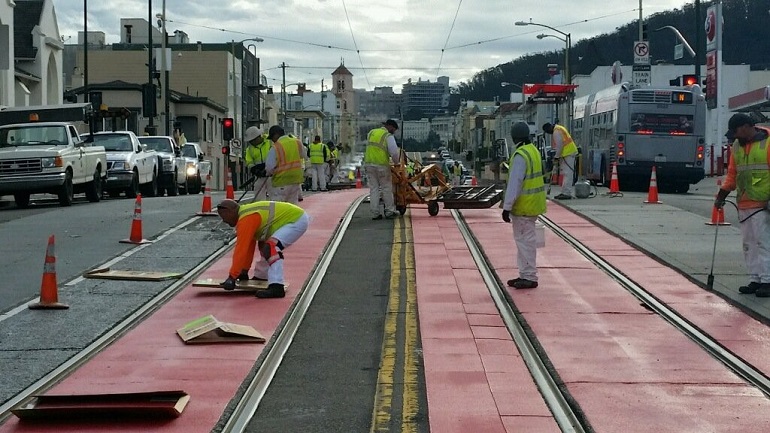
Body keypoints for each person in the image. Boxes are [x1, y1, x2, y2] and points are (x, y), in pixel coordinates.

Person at [714, 113, 770, 297]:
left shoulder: (767, 143)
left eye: (736, 131)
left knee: (763, 242)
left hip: (763, 204)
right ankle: (755, 279)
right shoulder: (737, 146)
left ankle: (767, 280)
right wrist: (722, 194)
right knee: (749, 243)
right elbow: (732, 174)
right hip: (745, 203)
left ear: (747, 126)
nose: (735, 136)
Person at [216, 199, 310, 298]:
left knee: (271, 248)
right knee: (264, 247)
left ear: (229, 211)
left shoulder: (246, 219)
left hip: (295, 220)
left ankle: (277, 286)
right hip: (294, 218)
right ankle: (261, 277)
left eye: (223, 216)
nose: (224, 220)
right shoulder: (246, 215)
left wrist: (232, 276)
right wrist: (243, 271)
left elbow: (241, 249)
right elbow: (249, 247)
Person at [501, 122, 547, 289]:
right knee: (526, 240)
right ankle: (525, 274)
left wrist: (507, 207)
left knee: (524, 241)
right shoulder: (533, 150)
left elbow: (515, 183)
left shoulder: (520, 155)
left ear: (514, 137)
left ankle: (529, 276)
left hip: (524, 206)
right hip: (534, 203)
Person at [364, 119, 401, 220]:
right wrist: (397, 163)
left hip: (369, 164)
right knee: (386, 188)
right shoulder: (388, 136)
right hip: (381, 165)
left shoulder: (371, 133)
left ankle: (375, 213)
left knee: (374, 189)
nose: (393, 131)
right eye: (393, 129)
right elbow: (394, 152)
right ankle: (389, 211)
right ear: (390, 126)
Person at [264, 125, 305, 204]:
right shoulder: (297, 142)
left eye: (272, 138)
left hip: (281, 182)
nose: (272, 140)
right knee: (292, 206)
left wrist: (268, 173)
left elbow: (269, 167)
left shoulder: (276, 147)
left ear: (276, 135)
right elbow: (303, 155)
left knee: (279, 207)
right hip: (295, 180)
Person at [542, 122, 578, 200]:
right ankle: (564, 192)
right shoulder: (559, 128)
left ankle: (566, 193)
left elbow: (559, 145)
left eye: (547, 131)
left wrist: (556, 157)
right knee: (566, 173)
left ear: (549, 128)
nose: (549, 133)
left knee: (568, 174)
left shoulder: (556, 131)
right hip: (567, 153)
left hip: (568, 153)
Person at [244, 126, 271, 202]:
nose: (251, 143)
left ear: (258, 137)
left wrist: (267, 167)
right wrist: (255, 170)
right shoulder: (249, 149)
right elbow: (249, 162)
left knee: (274, 194)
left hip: (271, 174)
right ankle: (261, 209)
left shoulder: (270, 142)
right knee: (258, 195)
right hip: (259, 175)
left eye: (252, 140)